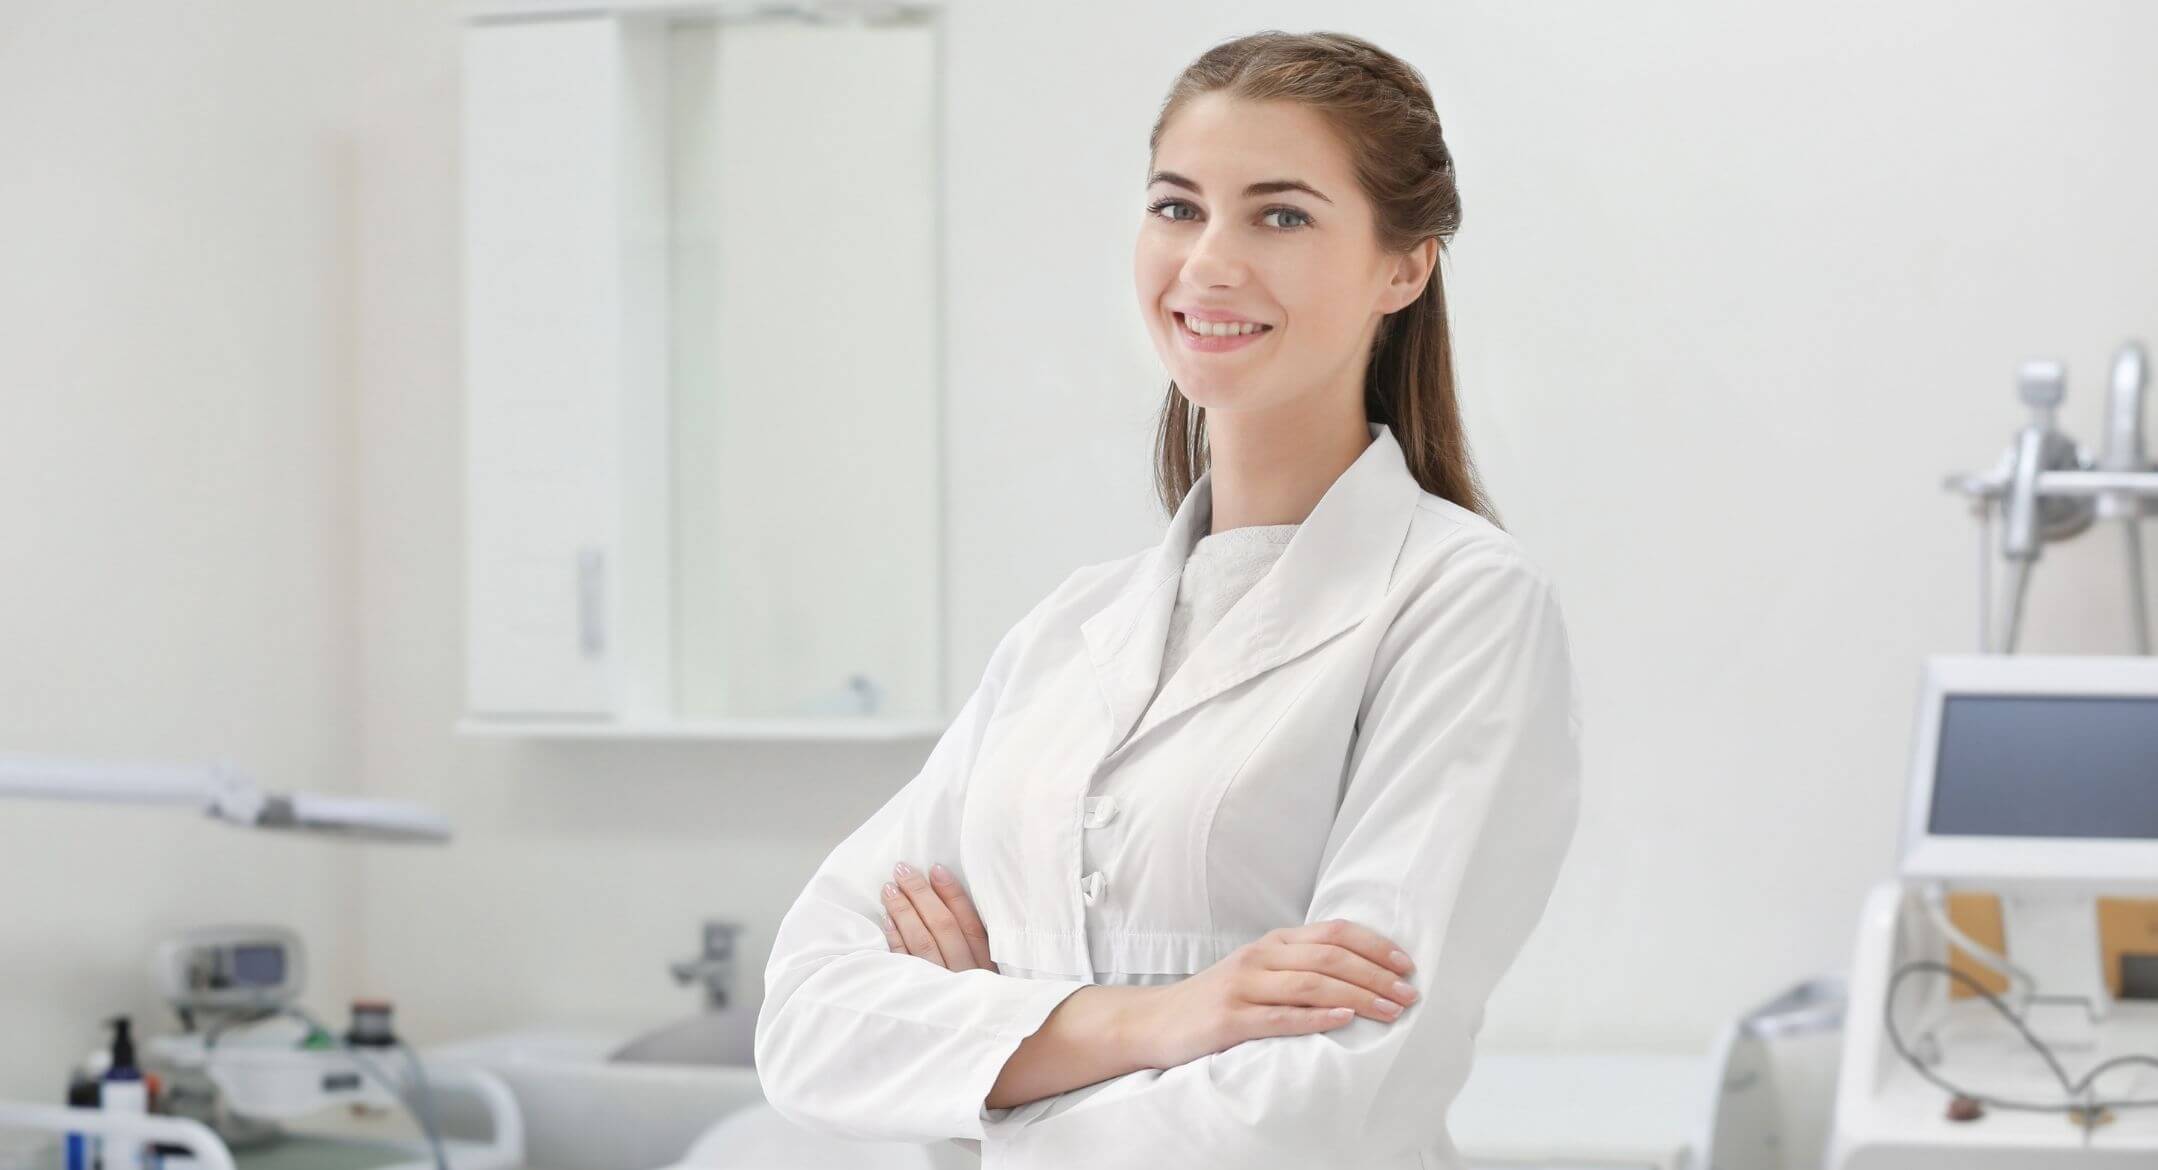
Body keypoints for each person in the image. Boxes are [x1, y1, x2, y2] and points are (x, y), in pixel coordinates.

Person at [754, 29, 1583, 1169]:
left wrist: (990, 1047)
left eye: (1280, 214)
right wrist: (1152, 1018)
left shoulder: (1460, 606)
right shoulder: (1064, 633)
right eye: (1177, 207)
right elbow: (805, 1023)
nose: (1207, 263)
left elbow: (1318, 1098)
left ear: (1405, 266)